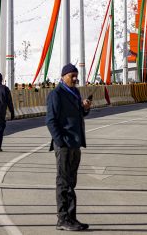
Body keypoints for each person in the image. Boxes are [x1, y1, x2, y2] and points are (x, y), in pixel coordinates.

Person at [46, 63, 92, 232]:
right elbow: (50, 120)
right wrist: (61, 141)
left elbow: (79, 115)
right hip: (65, 145)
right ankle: (63, 219)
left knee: (71, 183)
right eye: (71, 76)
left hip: (75, 143)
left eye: (76, 75)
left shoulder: (75, 92)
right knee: (64, 183)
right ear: (63, 76)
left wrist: (85, 109)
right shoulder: (56, 94)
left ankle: (71, 218)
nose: (74, 78)